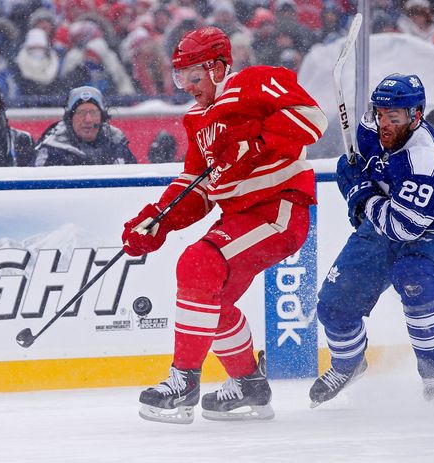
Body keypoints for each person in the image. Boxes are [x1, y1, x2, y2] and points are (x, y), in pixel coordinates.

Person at [121, 26, 327, 424]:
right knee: (211, 298)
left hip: (279, 208)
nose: (188, 87)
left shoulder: (255, 81)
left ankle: (184, 383)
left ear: (218, 68)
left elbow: (311, 118)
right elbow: (197, 187)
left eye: (194, 77)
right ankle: (250, 386)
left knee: (198, 263)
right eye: (181, 78)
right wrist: (157, 220)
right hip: (240, 217)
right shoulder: (196, 119)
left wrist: (254, 142)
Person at [309, 74, 434, 409]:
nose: (384, 123)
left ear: (416, 116)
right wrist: (351, 177)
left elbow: (402, 229)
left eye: (395, 117)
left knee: (414, 278)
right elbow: (356, 167)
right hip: (389, 218)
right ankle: (348, 365)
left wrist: (361, 197)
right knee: (333, 303)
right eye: (380, 114)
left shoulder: (423, 160)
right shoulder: (369, 127)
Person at [34, 86, 137, 166]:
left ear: (102, 117)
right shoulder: (51, 150)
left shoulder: (117, 144)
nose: (88, 120)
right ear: (69, 119)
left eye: (93, 112)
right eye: (81, 113)